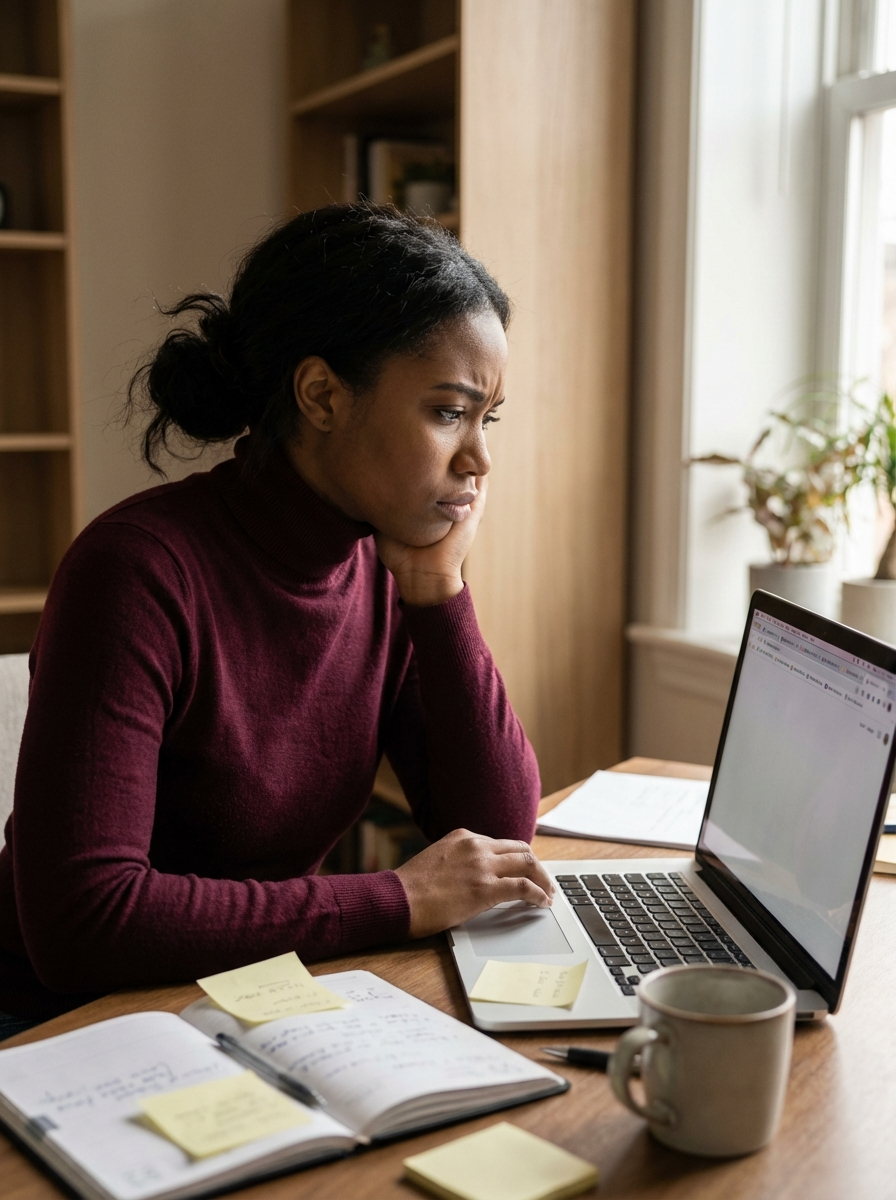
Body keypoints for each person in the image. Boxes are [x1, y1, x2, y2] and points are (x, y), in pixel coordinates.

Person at [0, 204, 554, 1032]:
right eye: (448, 412)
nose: (479, 461)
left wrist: (440, 589)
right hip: (66, 1028)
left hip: (246, 1003)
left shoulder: (385, 563)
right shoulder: (136, 572)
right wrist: (398, 898)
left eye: (488, 419)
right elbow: (84, 923)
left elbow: (499, 837)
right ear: (323, 394)